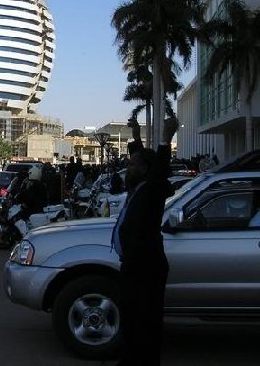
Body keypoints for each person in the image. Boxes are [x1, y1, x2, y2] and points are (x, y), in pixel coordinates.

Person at [112, 115, 177, 366]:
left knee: (146, 322)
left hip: (145, 267)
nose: (128, 169)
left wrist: (165, 139)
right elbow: (144, 159)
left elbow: (158, 170)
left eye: (131, 166)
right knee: (131, 319)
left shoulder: (152, 189)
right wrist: (137, 136)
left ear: (144, 171)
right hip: (133, 265)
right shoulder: (137, 187)